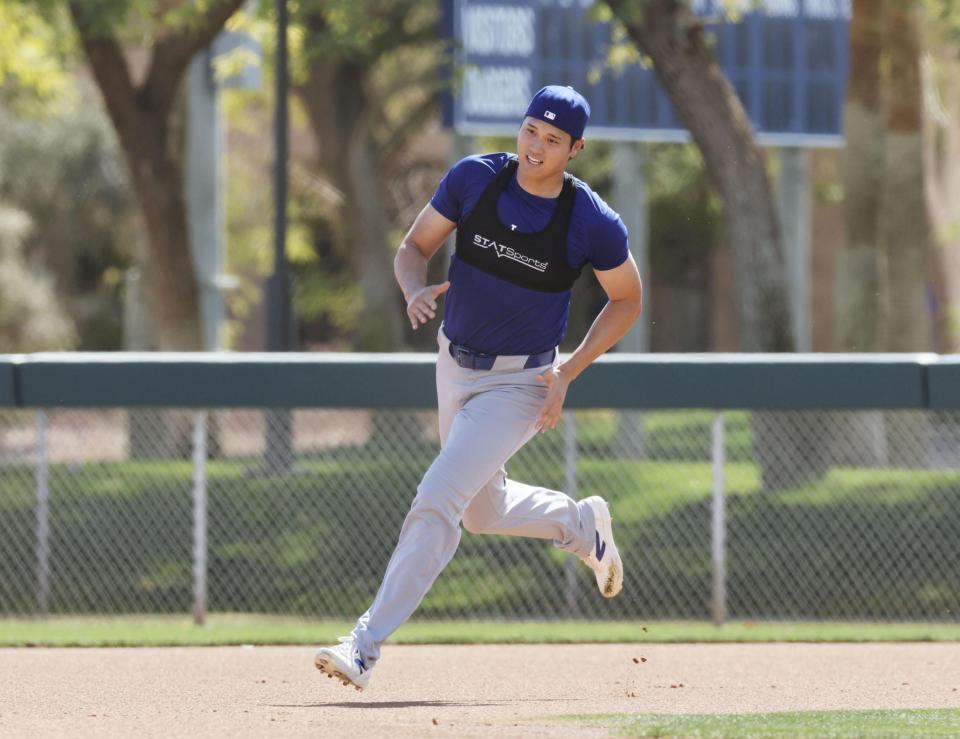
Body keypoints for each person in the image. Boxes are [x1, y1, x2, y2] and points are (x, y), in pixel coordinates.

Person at [315, 85, 643, 691]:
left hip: (521, 381)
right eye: (530, 131)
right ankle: (580, 525)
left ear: (575, 149)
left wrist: (568, 372)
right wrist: (413, 288)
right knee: (483, 513)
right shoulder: (476, 179)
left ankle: (363, 645)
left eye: (552, 140)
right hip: (454, 363)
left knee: (437, 498)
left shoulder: (589, 219)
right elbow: (414, 247)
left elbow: (628, 300)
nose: (535, 147)